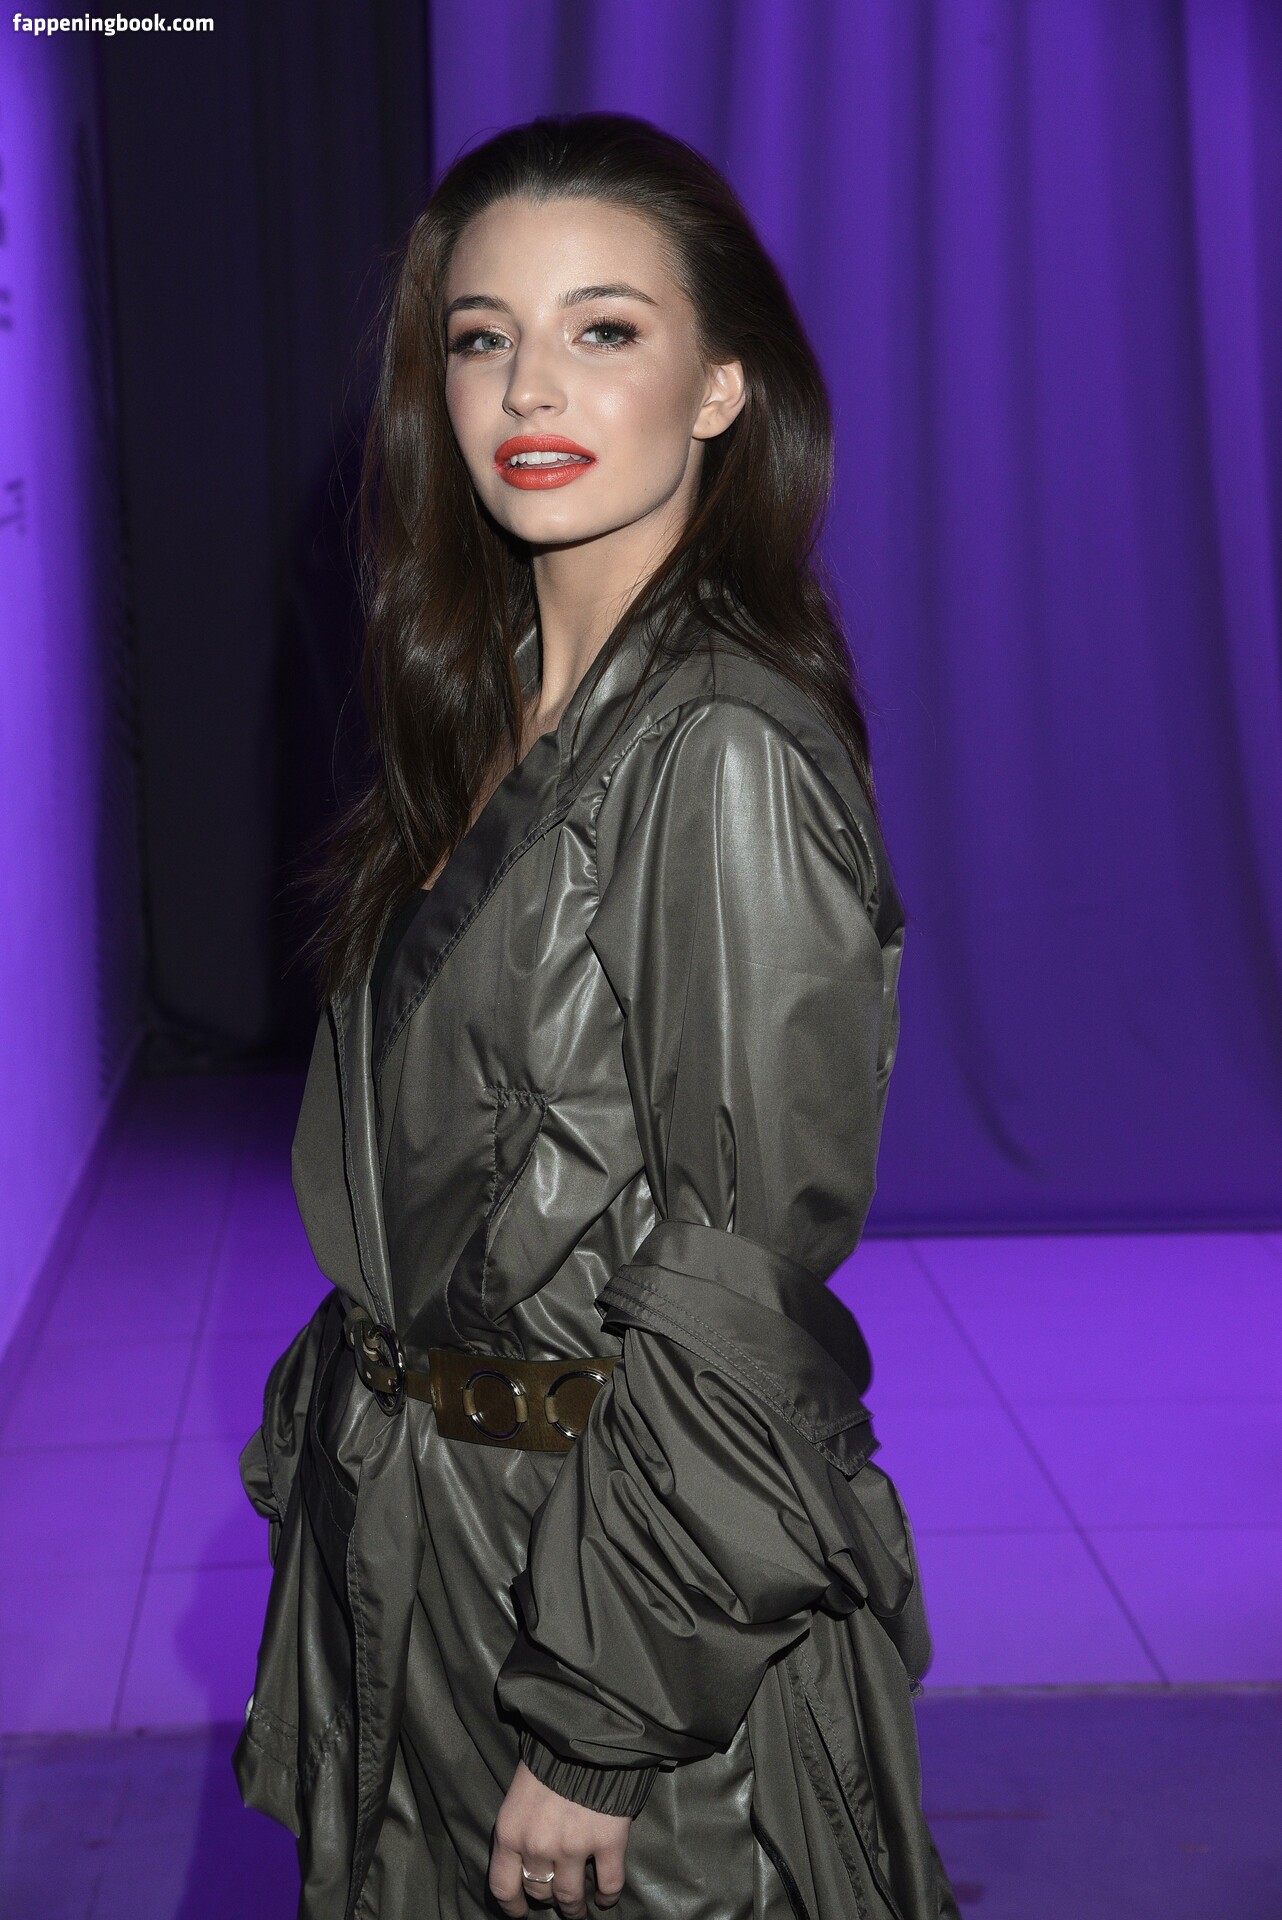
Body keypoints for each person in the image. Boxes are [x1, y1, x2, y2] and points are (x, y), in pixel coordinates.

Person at [235, 113, 960, 1920]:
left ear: (721, 387)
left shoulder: (716, 747)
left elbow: (738, 1290)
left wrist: (601, 1725)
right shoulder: (478, 704)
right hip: (435, 1553)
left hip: (615, 1606)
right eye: (481, 336)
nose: (529, 387)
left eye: (604, 328)